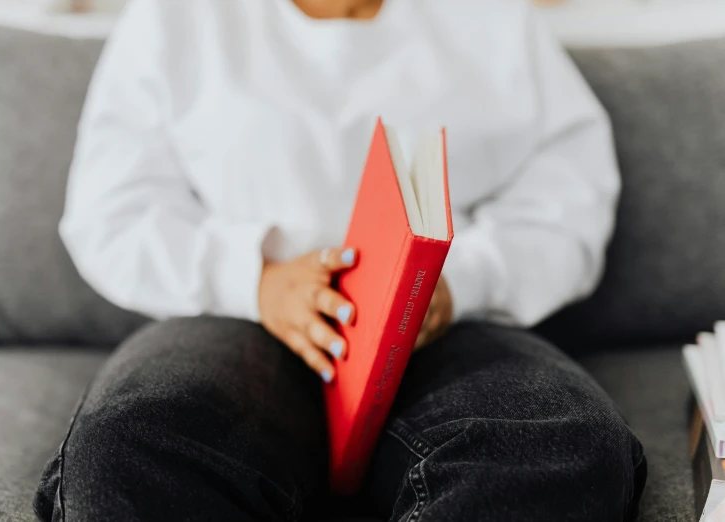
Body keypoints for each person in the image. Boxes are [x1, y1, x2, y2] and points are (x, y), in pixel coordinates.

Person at [33, 0, 647, 520]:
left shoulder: (490, 17)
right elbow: (110, 210)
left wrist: (461, 279)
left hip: (448, 319)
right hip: (239, 318)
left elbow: (570, 191)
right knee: (135, 443)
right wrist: (255, 279)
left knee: (557, 445)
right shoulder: (176, 17)